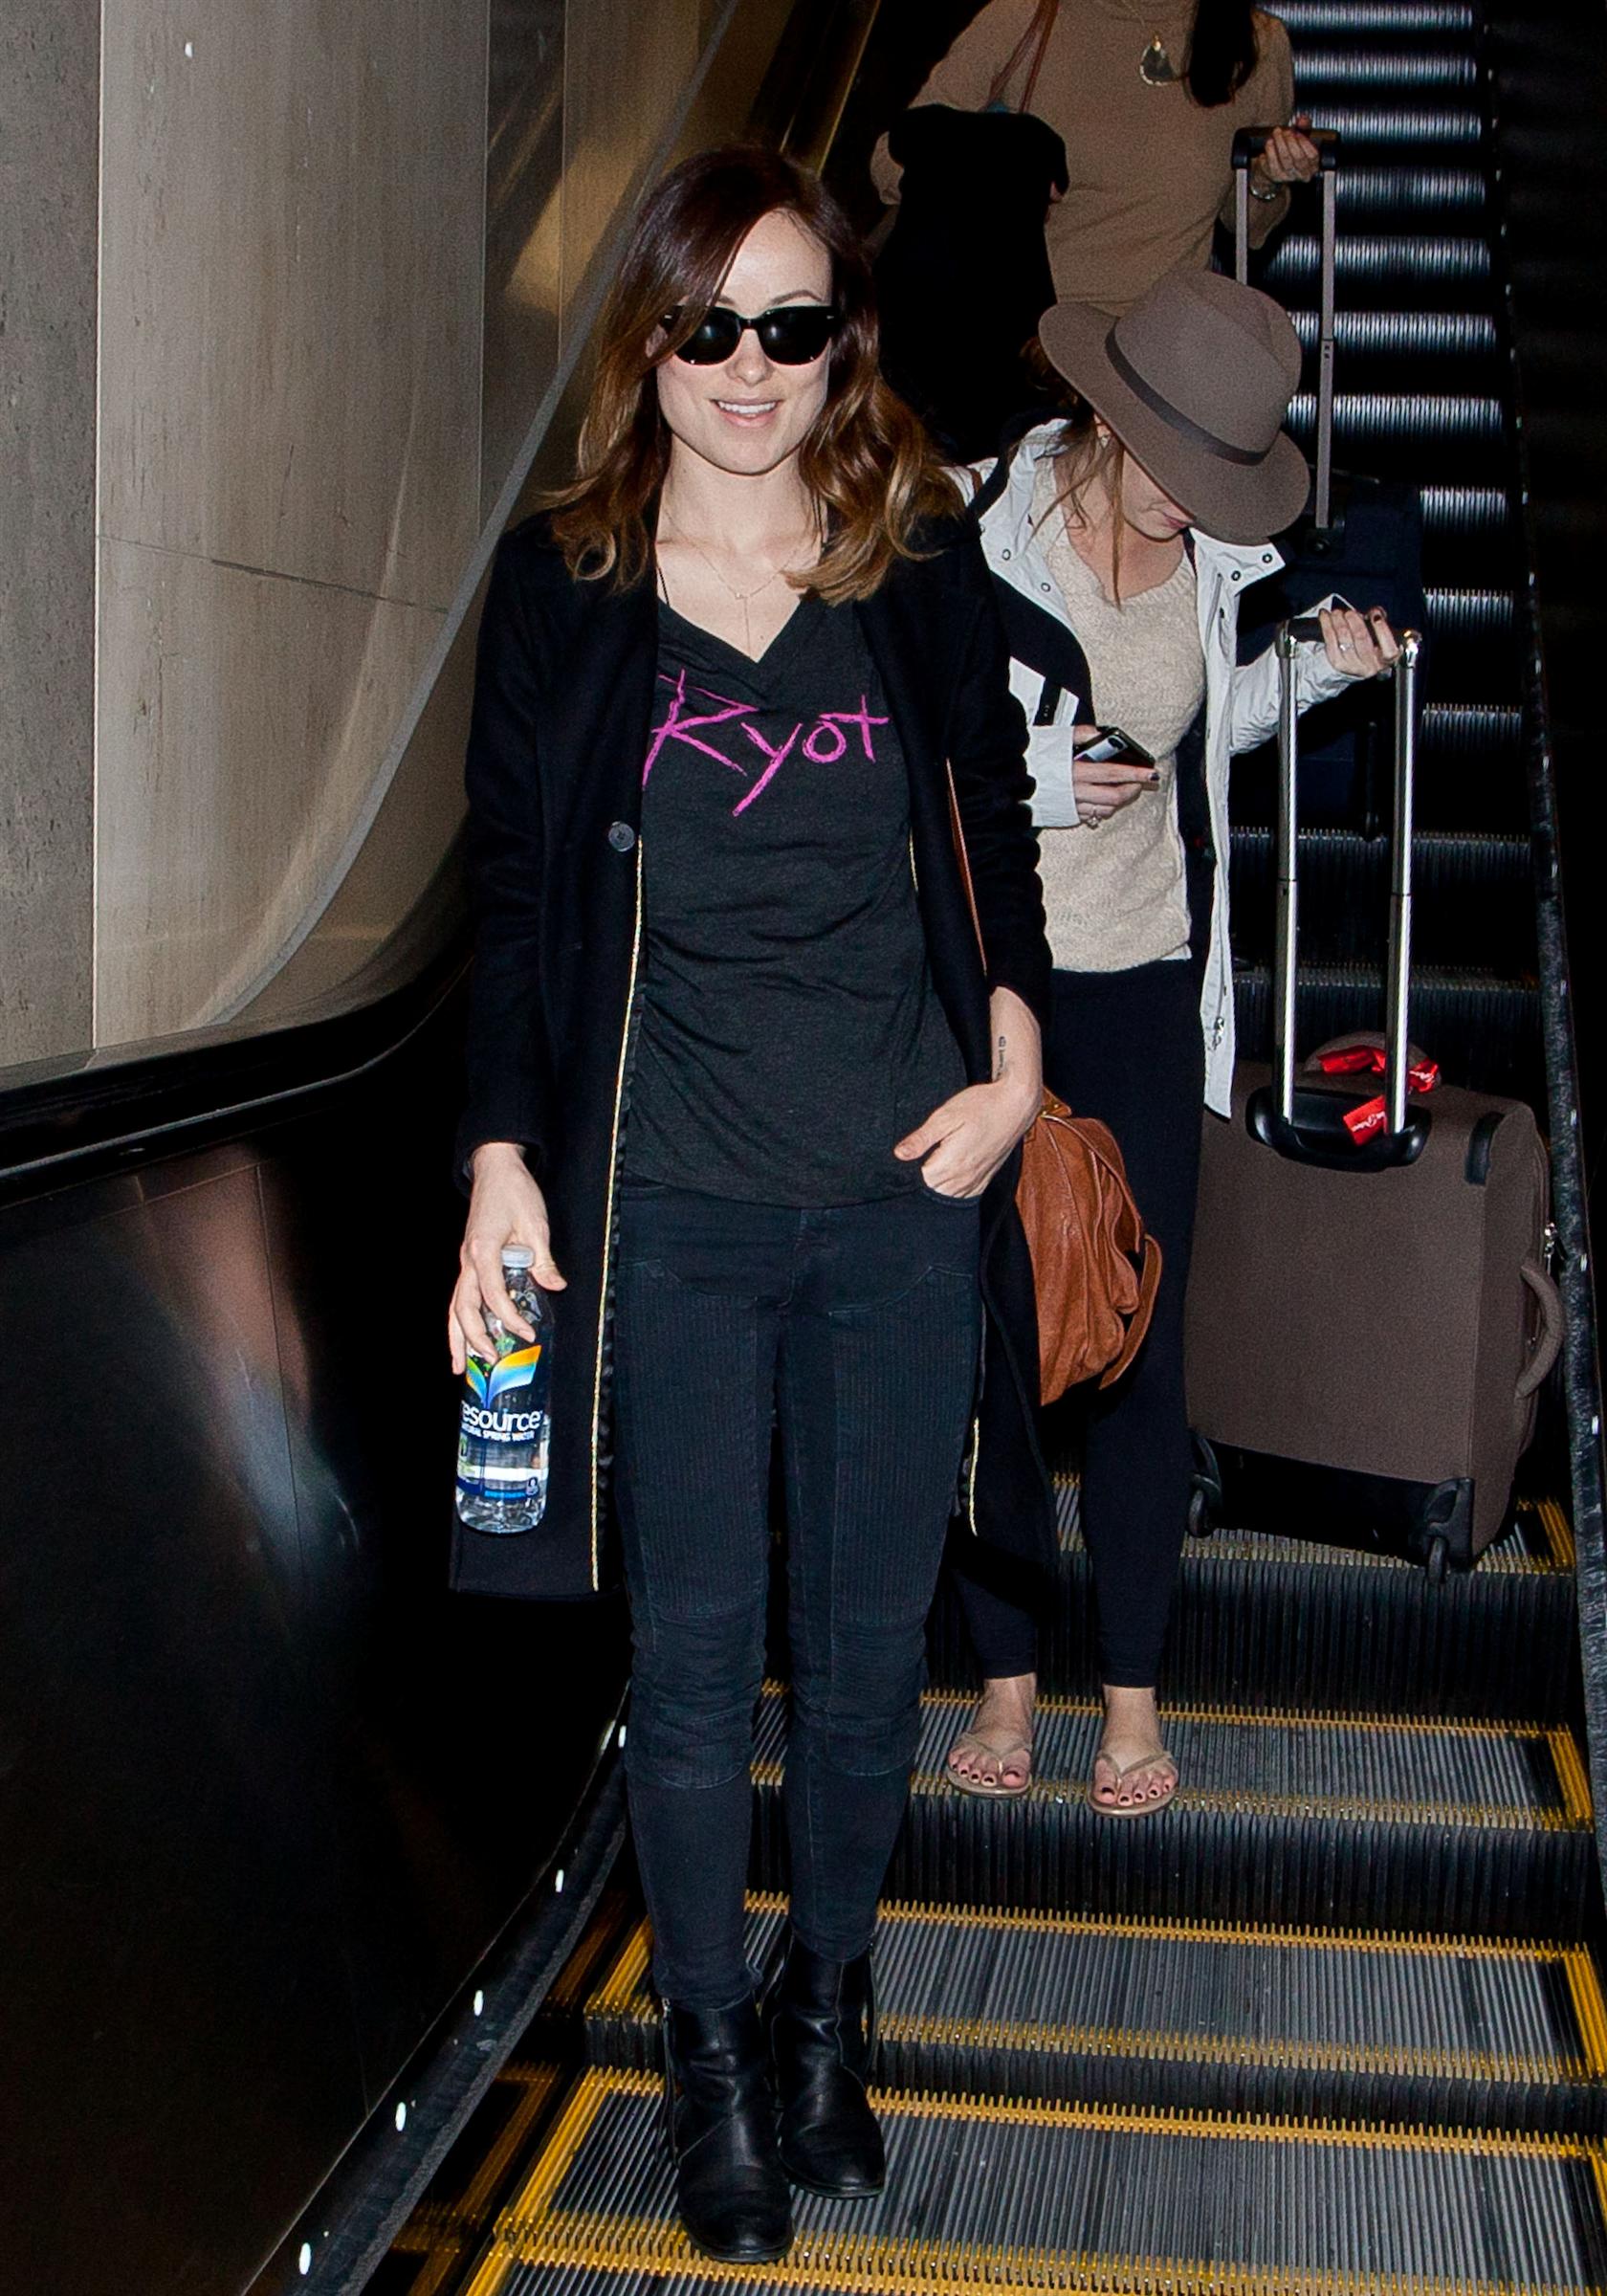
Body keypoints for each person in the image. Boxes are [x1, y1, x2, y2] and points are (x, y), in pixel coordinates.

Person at [446, 146, 1053, 2265]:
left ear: (842, 341)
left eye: (794, 326)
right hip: (678, 1213)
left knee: (870, 1662)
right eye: (710, 324)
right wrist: (499, 1159)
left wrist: (1017, 1059)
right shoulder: (569, 587)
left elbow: (990, 811)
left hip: (900, 1199)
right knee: (696, 1664)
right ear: (649, 334)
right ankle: (705, 2056)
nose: (750, 368)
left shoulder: (914, 552)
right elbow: (513, 895)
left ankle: (826, 2016)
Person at [944, 265, 1399, 1810]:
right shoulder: (977, 522)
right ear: (1108, 413)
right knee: (998, 1333)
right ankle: (1007, 1678)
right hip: (994, 986)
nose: (1186, 503)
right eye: (1170, 464)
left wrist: (1316, 672)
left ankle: (1132, 1696)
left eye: (1216, 478)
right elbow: (909, 732)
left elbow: (1205, 734)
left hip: (1145, 982)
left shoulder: (1208, 555)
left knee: (1144, 1339)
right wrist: (1040, 785)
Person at [871, 0, 1321, 317]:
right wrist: (999, 172)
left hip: (1149, 360)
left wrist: (1265, 180)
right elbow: (889, 163)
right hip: (1016, 341)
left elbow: (1249, 230)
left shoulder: (1256, 44)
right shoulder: (1027, 15)